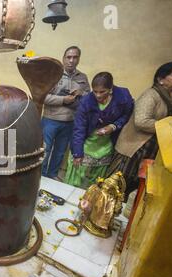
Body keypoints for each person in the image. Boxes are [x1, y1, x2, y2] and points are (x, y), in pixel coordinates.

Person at [107, 62, 172, 197]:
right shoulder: (151, 95)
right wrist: (168, 129)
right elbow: (141, 121)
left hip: (157, 149)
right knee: (118, 185)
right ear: (161, 79)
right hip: (135, 147)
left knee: (141, 187)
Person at [65, 72, 134, 188]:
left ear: (110, 89)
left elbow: (126, 116)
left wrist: (113, 126)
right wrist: (77, 153)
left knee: (97, 178)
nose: (98, 95)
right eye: (95, 91)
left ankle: (91, 197)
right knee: (77, 170)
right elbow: (79, 128)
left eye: (102, 92)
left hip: (106, 143)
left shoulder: (123, 97)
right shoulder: (86, 102)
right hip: (87, 141)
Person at [42, 46, 91, 180]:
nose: (71, 60)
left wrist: (82, 93)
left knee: (60, 152)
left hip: (70, 121)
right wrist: (63, 100)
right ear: (63, 58)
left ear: (78, 59)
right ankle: (40, 176)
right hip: (50, 120)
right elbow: (43, 97)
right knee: (44, 150)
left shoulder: (82, 77)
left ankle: (52, 175)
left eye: (75, 57)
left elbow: (90, 100)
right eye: (68, 57)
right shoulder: (53, 74)